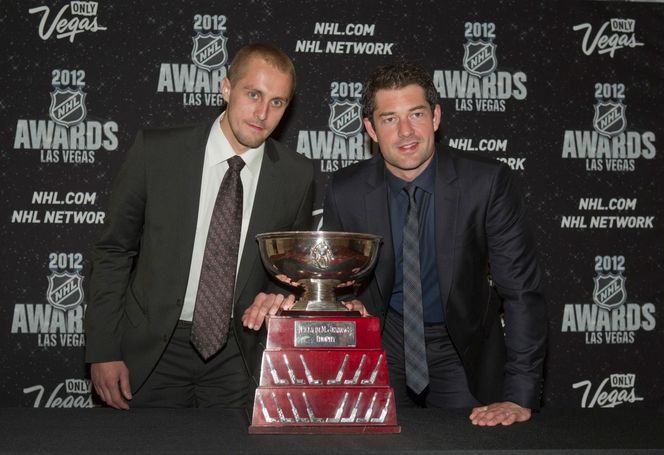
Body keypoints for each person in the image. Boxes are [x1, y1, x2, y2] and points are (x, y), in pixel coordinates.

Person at [85, 43, 314, 410]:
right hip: (151, 350)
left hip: (240, 353)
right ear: (226, 88)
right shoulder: (157, 152)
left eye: (277, 102)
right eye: (253, 94)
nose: (262, 113)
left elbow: (287, 271)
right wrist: (102, 349)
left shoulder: (297, 176)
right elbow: (113, 250)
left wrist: (277, 295)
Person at [322, 61, 547, 426]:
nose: (406, 132)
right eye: (390, 119)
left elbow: (521, 291)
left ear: (436, 116)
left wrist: (518, 396)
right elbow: (333, 283)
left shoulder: (486, 183)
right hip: (386, 341)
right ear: (371, 129)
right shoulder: (345, 190)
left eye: (416, 114)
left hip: (460, 347)